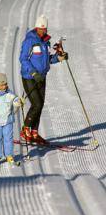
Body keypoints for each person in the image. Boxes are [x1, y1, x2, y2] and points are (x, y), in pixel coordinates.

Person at [19, 15, 68, 145]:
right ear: (36, 28)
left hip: (42, 77)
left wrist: (59, 58)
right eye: (40, 29)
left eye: (44, 28)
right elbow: (23, 59)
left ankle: (34, 133)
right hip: (30, 77)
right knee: (37, 104)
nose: (43, 31)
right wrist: (34, 73)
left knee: (40, 106)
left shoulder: (46, 41)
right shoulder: (30, 40)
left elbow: (47, 60)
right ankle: (25, 130)